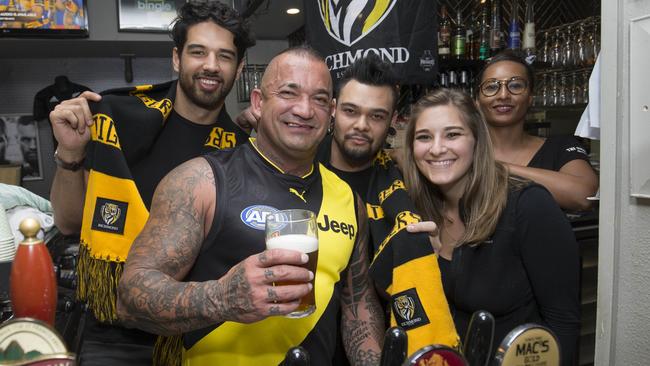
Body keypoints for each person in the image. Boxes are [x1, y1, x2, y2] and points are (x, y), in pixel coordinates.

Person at [117, 46, 384, 366]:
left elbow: (358, 305)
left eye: (319, 99)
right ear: (258, 102)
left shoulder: (348, 200)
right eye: (289, 92)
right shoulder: (200, 181)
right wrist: (222, 299)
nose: (304, 109)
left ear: (331, 112)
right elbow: (130, 298)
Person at [48, 2, 254, 364]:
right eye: (198, 52)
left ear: (238, 70)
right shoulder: (117, 119)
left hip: (199, 335)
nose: (210, 65)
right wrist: (70, 152)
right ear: (176, 58)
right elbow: (68, 223)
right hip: (113, 333)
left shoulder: (241, 150)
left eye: (224, 56)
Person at [236, 55, 460, 359]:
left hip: (376, 348)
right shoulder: (295, 166)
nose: (361, 126)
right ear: (333, 110)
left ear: (394, 120)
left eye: (377, 116)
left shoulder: (409, 187)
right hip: (278, 345)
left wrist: (421, 251)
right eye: (351, 111)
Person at [402, 88, 581, 365]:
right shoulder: (414, 211)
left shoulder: (527, 206)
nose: (437, 148)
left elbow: (563, 322)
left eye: (452, 134)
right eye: (424, 137)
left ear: (477, 140)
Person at [475, 50, 598, 211]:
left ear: (530, 97)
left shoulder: (559, 148)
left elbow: (583, 196)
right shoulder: (464, 151)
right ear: (477, 101)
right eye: (491, 87)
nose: (503, 95)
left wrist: (497, 167)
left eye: (515, 85)